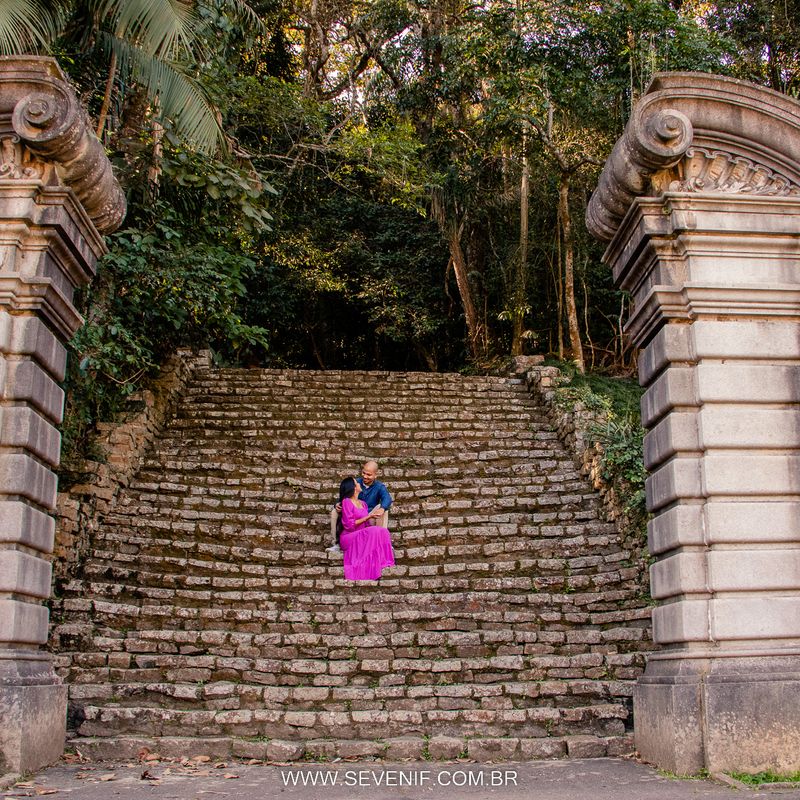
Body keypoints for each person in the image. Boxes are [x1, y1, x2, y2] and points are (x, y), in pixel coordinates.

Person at [337, 476, 395, 581]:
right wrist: (368, 516)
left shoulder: (363, 504)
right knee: (375, 530)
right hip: (349, 536)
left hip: (361, 532)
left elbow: (366, 524)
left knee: (383, 531)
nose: (359, 484)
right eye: (356, 483)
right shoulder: (347, 502)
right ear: (354, 488)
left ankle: (383, 560)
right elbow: (349, 525)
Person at [327, 460, 392, 552]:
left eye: (369, 475)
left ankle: (382, 541)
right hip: (354, 515)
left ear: (376, 475)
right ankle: (336, 543)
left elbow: (387, 499)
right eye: (363, 473)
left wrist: (382, 508)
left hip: (369, 515)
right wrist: (337, 504)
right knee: (334, 511)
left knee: (383, 510)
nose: (365, 476)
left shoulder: (379, 486)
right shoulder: (356, 483)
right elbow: (344, 495)